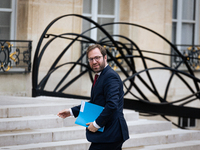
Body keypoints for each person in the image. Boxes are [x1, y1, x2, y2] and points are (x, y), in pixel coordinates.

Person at [57, 44, 129, 150]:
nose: (94, 61)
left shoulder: (110, 76)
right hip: (111, 135)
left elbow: (112, 104)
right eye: (91, 59)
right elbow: (96, 102)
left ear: (105, 57)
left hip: (111, 133)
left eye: (97, 58)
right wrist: (72, 111)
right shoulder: (101, 75)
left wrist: (96, 124)